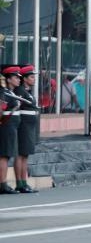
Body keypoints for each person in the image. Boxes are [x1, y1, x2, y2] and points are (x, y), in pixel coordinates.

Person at [13, 65, 40, 193]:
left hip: (29, 127)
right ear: (24, 79)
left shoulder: (27, 92)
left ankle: (24, 182)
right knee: (20, 155)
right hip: (23, 126)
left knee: (25, 155)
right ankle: (20, 183)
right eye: (31, 77)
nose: (34, 79)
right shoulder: (20, 91)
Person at [0, 66, 23, 194]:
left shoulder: (11, 92)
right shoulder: (4, 93)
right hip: (7, 127)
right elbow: (1, 111)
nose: (19, 80)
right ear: (8, 79)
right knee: (4, 156)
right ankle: (2, 184)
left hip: (11, 127)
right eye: (15, 77)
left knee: (6, 156)